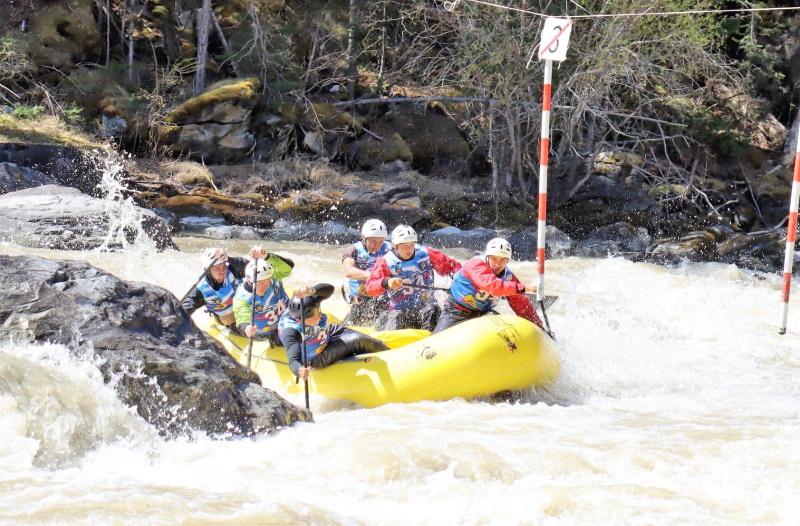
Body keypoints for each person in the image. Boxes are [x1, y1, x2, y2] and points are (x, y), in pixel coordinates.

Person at [432, 238, 552, 338]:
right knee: (438, 340)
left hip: (484, 314)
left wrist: (540, 329)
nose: (497, 264)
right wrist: (526, 287)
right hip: (456, 312)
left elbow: (522, 306)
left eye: (502, 260)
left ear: (507, 261)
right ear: (487, 256)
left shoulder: (508, 277)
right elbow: (493, 286)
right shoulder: (475, 264)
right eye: (494, 259)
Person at [278, 283, 389, 380]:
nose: (318, 318)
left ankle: (383, 349)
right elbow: (293, 361)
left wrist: (311, 290)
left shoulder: (308, 304)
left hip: (327, 332)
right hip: (316, 356)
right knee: (357, 340)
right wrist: (300, 370)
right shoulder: (291, 332)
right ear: (299, 320)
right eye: (313, 318)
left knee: (367, 340)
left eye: (318, 313)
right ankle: (389, 358)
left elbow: (329, 289)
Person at [365, 224, 462, 331]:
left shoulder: (426, 253)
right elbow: (370, 287)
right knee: (394, 322)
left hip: (425, 307)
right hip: (398, 310)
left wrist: (457, 285)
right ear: (395, 246)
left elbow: (454, 267)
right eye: (404, 245)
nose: (409, 249)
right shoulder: (385, 261)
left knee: (433, 309)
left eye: (412, 245)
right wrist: (387, 282)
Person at [182, 246, 293, 330]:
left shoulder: (232, 269)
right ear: (207, 269)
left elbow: (250, 267)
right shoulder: (201, 289)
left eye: (223, 265)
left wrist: (228, 259)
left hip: (246, 306)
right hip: (228, 318)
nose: (222, 270)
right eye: (217, 268)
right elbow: (184, 309)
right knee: (230, 319)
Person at [233, 253, 295, 346]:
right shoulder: (242, 298)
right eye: (261, 283)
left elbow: (288, 268)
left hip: (289, 318)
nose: (266, 286)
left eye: (268, 281)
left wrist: (267, 256)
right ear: (250, 282)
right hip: (271, 333)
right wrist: (246, 328)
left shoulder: (273, 277)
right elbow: (242, 316)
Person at [341, 219, 393, 326]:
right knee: (347, 326)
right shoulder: (353, 250)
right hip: (360, 297)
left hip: (383, 297)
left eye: (380, 241)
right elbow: (348, 271)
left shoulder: (390, 248)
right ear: (364, 237)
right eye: (373, 241)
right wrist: (373, 277)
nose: (377, 245)